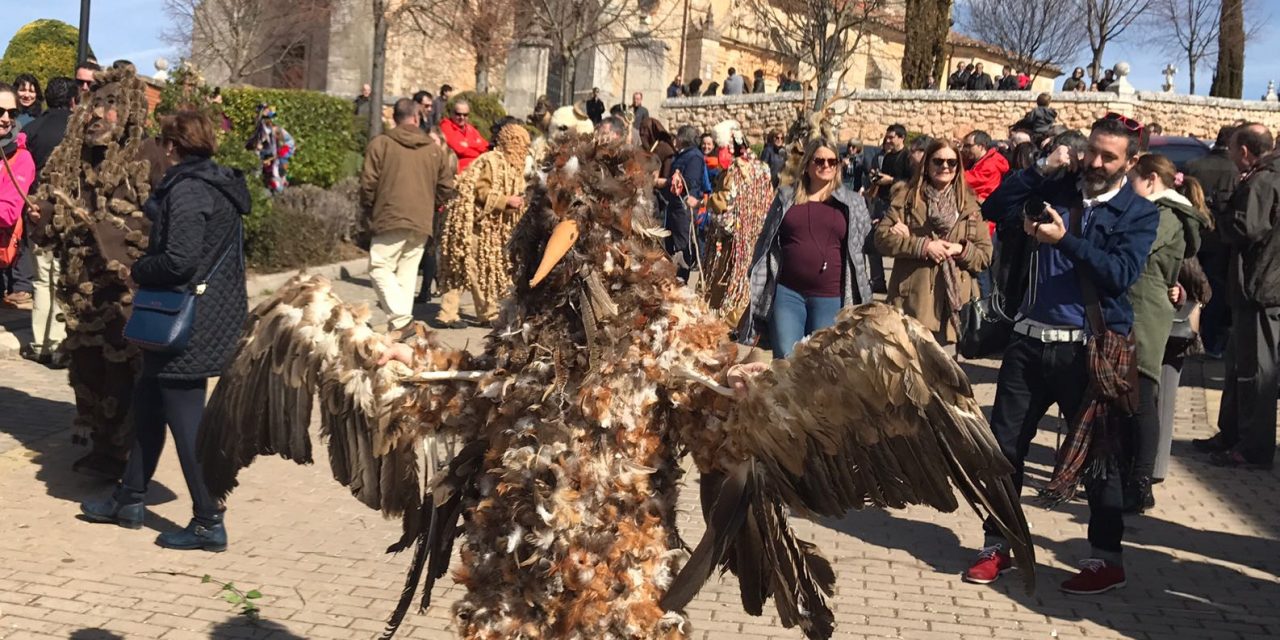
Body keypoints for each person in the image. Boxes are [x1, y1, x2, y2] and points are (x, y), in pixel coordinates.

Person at [967, 115, 1159, 595]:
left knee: (1100, 460)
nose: (1095, 162)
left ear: (1130, 161)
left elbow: (1119, 274)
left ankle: (1105, 560)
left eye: (1108, 156)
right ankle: (997, 544)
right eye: (1092, 150)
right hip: (1028, 343)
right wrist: (1040, 169)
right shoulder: (1060, 187)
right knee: (1002, 451)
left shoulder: (1139, 213)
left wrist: (1065, 241)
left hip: (1088, 352)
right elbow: (993, 204)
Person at [79, 111, 250, 550]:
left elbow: (180, 260)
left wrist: (139, 269)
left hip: (187, 322)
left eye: (163, 143)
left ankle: (208, 518)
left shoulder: (191, 190)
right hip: (205, 314)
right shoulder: (216, 184)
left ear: (173, 147)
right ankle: (130, 498)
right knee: (149, 405)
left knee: (187, 420)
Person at [34, 64, 172, 480]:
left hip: (127, 293)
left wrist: (118, 234)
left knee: (123, 375)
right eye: (95, 104)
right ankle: (101, 446)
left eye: (111, 105)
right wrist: (42, 213)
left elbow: (166, 225)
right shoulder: (71, 159)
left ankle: (126, 458)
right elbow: (47, 212)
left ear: (129, 110)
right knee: (87, 370)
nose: (99, 114)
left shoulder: (148, 158)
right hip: (81, 291)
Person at [737, 138, 874, 357]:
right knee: (786, 358)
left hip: (830, 295)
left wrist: (893, 229)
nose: (826, 166)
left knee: (822, 361)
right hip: (787, 293)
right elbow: (766, 239)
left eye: (832, 161)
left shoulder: (852, 202)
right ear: (808, 164)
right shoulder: (786, 197)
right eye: (819, 161)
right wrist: (755, 273)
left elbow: (868, 241)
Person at [1123, 153, 1205, 512]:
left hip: (1145, 314)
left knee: (1142, 397)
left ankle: (1141, 481)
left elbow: (1139, 253)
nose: (1128, 187)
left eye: (1133, 181)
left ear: (1151, 180)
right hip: (1139, 308)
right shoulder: (1160, 213)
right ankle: (1126, 475)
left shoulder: (1166, 215)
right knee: (1131, 398)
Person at [1199, 123, 1279, 470]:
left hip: (1261, 289)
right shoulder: (1264, 177)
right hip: (1253, 288)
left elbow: (1247, 228)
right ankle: (1231, 433)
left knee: (1256, 373)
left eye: (1232, 150)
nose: (1231, 156)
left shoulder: (1264, 180)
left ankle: (1253, 447)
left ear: (1244, 151)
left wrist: (1220, 214)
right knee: (1237, 367)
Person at [876, 139, 992, 347]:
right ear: (927, 165)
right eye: (938, 161)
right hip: (912, 306)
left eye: (951, 162)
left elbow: (985, 256)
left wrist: (961, 250)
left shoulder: (970, 206)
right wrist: (922, 246)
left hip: (953, 310)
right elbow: (882, 239)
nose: (945, 167)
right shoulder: (907, 200)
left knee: (945, 377)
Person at [361, 98, 457, 332]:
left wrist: (370, 210)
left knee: (379, 267)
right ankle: (400, 328)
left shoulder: (381, 144)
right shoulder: (434, 150)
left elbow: (367, 184)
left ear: (395, 118)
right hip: (422, 220)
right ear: (417, 118)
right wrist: (431, 204)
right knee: (406, 274)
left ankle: (401, 320)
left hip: (390, 214)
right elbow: (447, 187)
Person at [437, 121, 529, 329]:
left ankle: (456, 313)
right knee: (467, 268)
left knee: (470, 268)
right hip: (473, 225)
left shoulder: (512, 168)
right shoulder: (492, 162)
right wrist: (506, 201)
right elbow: (481, 192)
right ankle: (476, 314)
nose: (524, 149)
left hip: (488, 229)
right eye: (521, 143)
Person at [16, 76, 76, 367]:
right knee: (63, 277)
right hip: (69, 210)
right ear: (73, 100)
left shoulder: (31, 129)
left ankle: (40, 342)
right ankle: (58, 343)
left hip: (37, 209)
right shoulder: (79, 130)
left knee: (42, 279)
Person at [702, 127, 773, 325]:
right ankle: (747, 322)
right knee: (748, 281)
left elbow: (724, 208)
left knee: (729, 282)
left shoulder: (732, 171)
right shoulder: (763, 168)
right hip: (756, 236)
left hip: (733, 242)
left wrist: (709, 203)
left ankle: (728, 323)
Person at [1184, 125, 1239, 357]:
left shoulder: (1193, 165)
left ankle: (1186, 336)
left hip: (1193, 236)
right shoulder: (1236, 170)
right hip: (1221, 240)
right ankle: (1212, 342)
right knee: (1215, 289)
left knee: (1189, 287)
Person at [0, 83, 36, 309]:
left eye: (11, 113)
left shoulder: (21, 159)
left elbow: (7, 212)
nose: (6, 118)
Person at [664, 125, 708, 281]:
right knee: (671, 245)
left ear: (682, 138)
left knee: (682, 246)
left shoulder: (694, 157)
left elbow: (690, 182)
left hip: (683, 209)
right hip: (674, 209)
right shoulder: (682, 155)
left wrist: (665, 182)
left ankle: (683, 280)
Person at [246, 104, 294, 193]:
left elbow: (290, 142)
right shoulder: (257, 131)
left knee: (278, 186)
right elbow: (250, 145)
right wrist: (256, 147)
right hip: (262, 162)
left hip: (276, 162)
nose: (270, 120)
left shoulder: (278, 130)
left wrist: (283, 152)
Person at [440, 99, 489, 172]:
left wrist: (468, 145)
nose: (462, 117)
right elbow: (459, 149)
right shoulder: (446, 126)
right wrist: (478, 152)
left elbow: (485, 146)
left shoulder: (470, 128)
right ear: (452, 113)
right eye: (458, 114)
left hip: (476, 168)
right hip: (457, 171)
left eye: (465, 115)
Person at [963, 130, 1011, 203]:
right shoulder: (977, 160)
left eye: (969, 146)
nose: (965, 149)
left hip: (984, 205)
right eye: (965, 146)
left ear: (981, 146)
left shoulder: (990, 165)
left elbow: (966, 180)